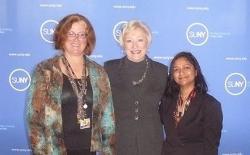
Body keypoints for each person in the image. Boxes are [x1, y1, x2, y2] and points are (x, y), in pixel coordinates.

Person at [26, 13, 115, 155]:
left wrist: (108, 151)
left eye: (81, 34)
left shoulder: (99, 72)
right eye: (71, 34)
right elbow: (34, 119)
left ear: (88, 39)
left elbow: (107, 118)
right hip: (54, 150)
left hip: (89, 150)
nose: (76, 39)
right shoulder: (45, 71)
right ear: (62, 36)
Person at [104, 20, 168, 155]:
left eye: (140, 40)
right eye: (129, 41)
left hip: (152, 140)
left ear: (147, 42)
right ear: (123, 44)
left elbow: (168, 107)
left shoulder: (161, 71)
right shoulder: (110, 68)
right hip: (119, 140)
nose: (135, 46)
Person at [159, 51, 223, 155]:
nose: (181, 72)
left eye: (186, 67)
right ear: (172, 75)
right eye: (176, 69)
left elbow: (211, 147)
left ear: (196, 71)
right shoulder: (166, 101)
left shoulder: (210, 105)